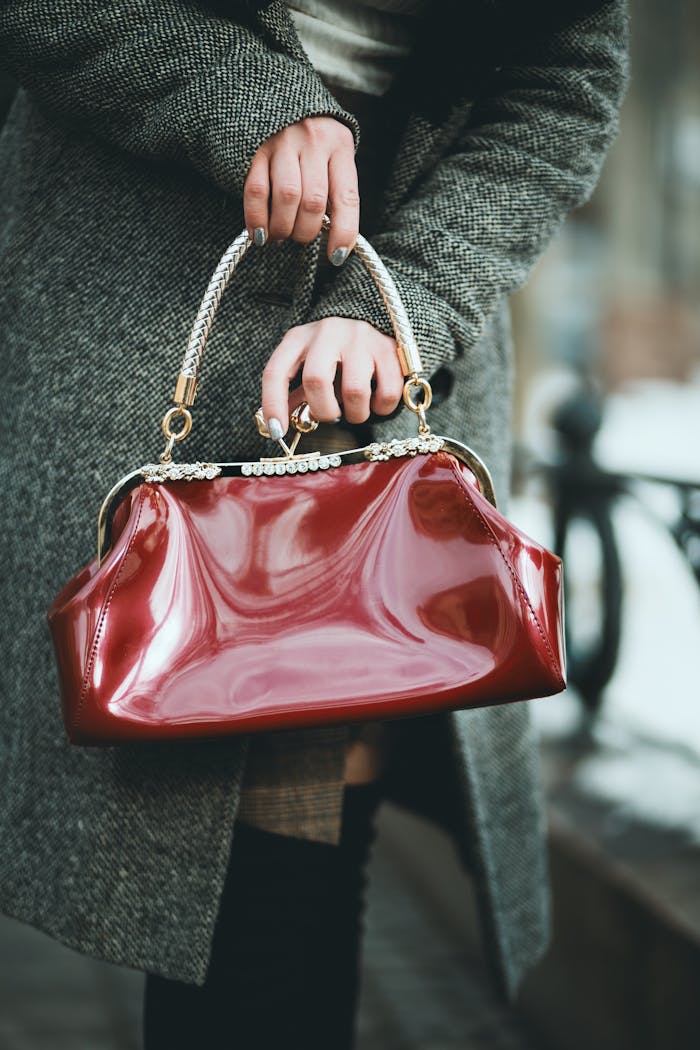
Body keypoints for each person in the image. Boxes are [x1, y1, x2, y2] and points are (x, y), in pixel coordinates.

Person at [0, 1, 629, 1047]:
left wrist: (403, 305)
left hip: (388, 354)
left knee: (300, 868)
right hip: (130, 325)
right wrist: (243, 95)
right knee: (215, 866)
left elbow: (564, 74)